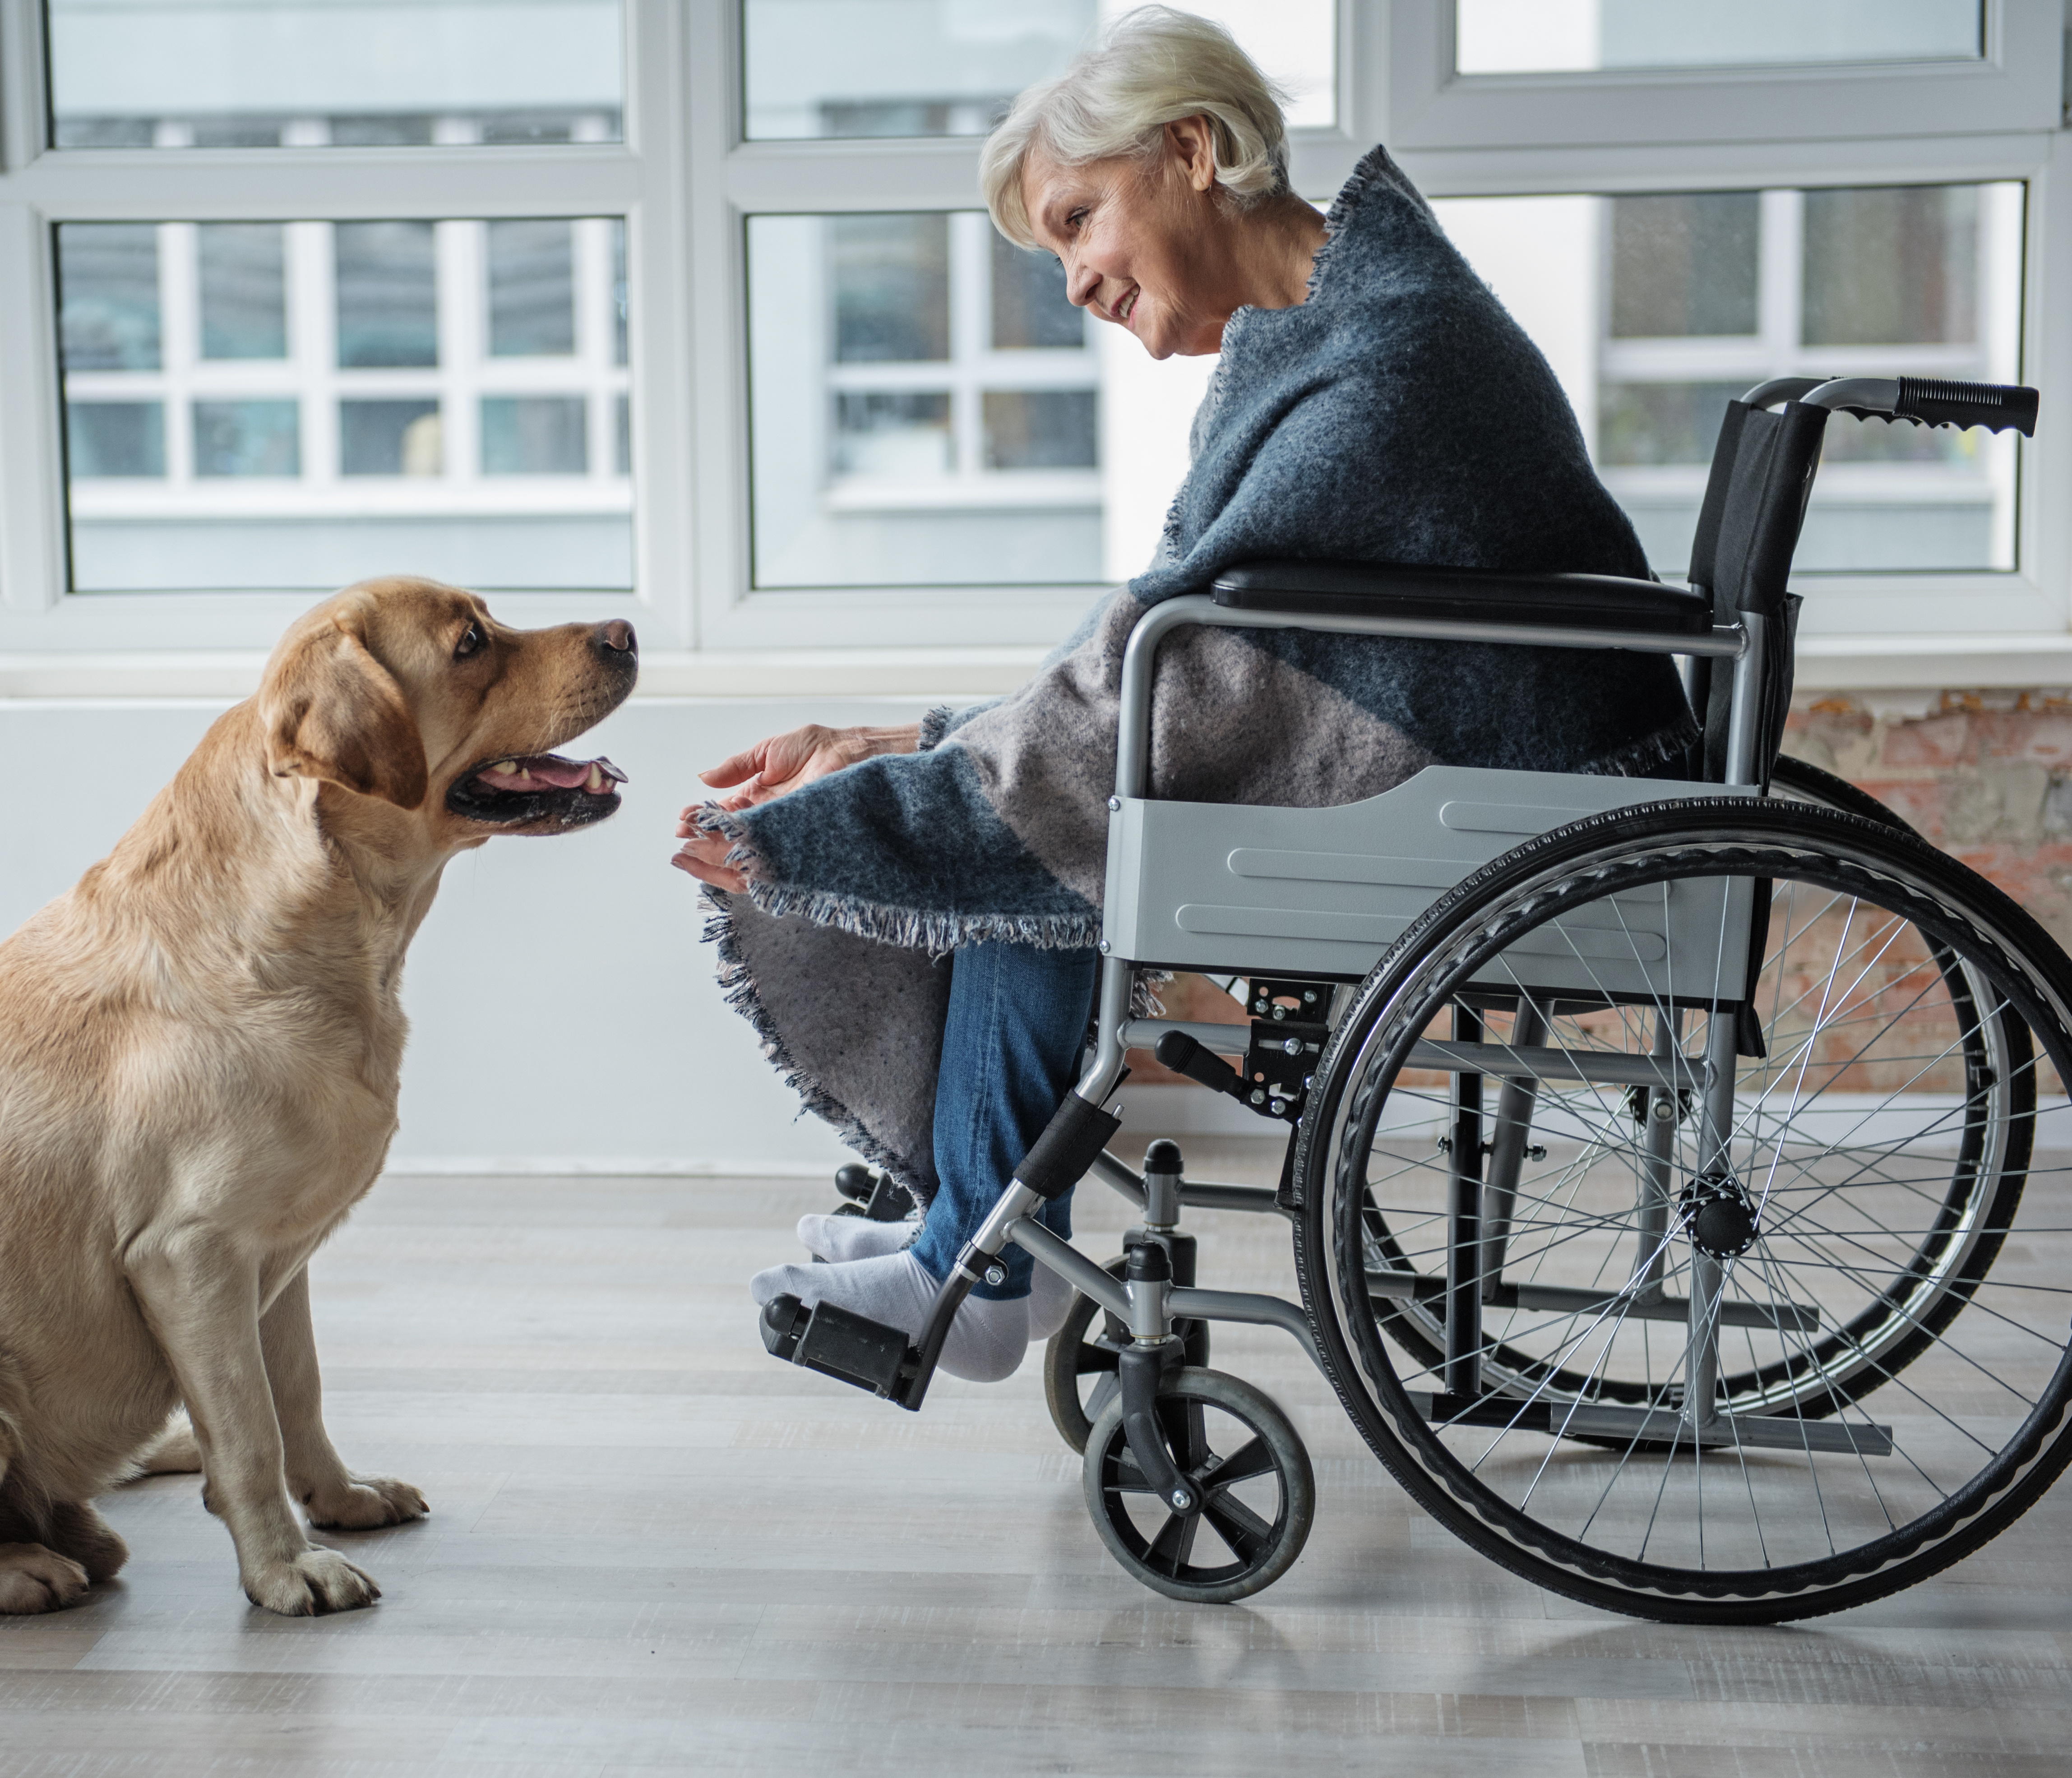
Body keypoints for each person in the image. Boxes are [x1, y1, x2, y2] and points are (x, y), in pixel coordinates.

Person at [673, 6, 1693, 1383]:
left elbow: (1182, 689)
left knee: (1078, 825)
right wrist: (900, 748)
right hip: (1496, 788)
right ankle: (976, 1235)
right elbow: (1182, 666)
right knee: (1076, 802)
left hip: (1526, 829)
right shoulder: (1338, 327)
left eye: (1079, 218)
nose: (1079, 282)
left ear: (1194, 151)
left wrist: (830, 823)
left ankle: (974, 1259)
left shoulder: (1381, 366)